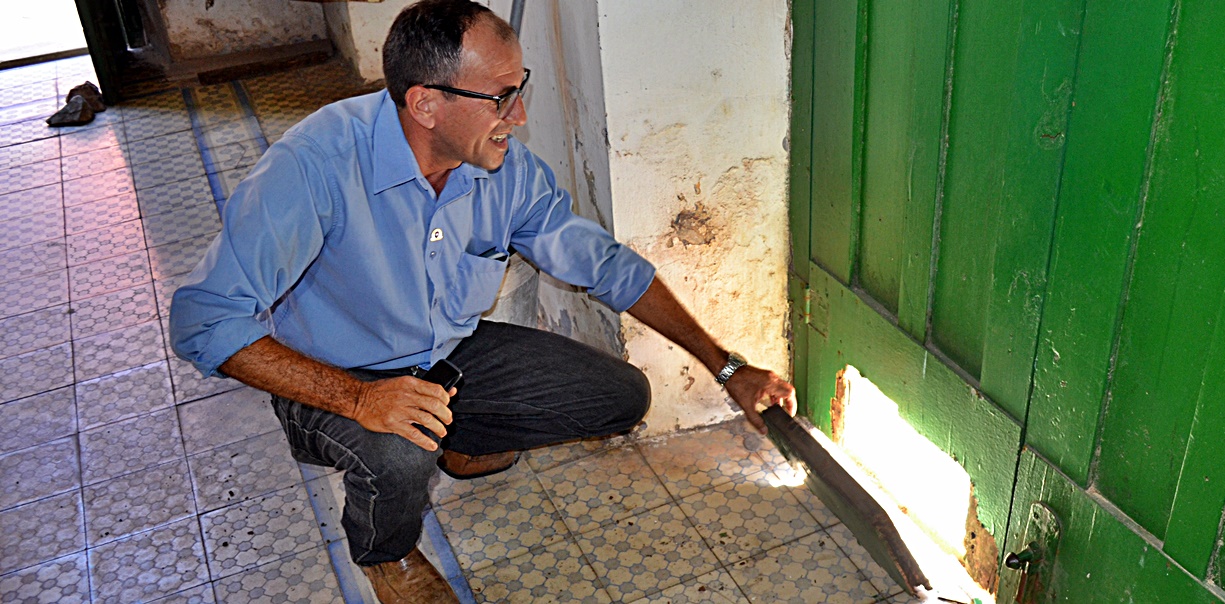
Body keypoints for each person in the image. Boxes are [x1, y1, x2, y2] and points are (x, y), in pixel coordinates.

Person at [168, 1, 795, 601]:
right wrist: (361, 398)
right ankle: (388, 552)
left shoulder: (502, 169)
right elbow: (203, 321)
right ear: (426, 104)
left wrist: (728, 367)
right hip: (339, 375)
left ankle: (459, 434)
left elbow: (602, 264)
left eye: (519, 88)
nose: (518, 116)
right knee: (399, 451)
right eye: (501, 97)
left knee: (621, 397)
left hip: (446, 355)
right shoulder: (314, 167)